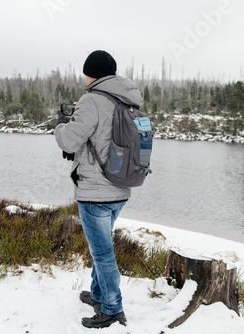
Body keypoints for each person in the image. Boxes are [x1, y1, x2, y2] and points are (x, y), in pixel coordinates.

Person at [55, 50, 143, 329]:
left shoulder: (92, 100)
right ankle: (97, 294)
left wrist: (60, 124)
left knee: (102, 253)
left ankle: (112, 308)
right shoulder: (127, 99)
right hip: (120, 187)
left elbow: (69, 142)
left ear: (91, 73)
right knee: (101, 248)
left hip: (95, 193)